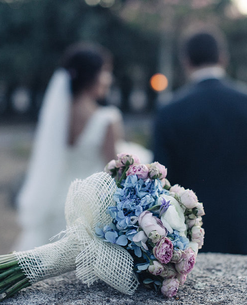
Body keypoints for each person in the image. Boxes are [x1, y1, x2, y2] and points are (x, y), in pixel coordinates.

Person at [15, 43, 152, 251]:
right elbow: (116, 172)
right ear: (93, 76)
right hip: (88, 206)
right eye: (106, 72)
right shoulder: (107, 119)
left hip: (56, 201)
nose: (109, 79)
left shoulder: (58, 117)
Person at [152, 28, 247, 254]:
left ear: (186, 61)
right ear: (222, 57)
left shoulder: (169, 111)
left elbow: (162, 183)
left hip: (192, 233)